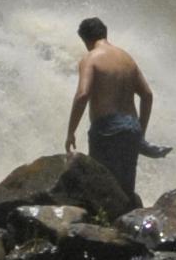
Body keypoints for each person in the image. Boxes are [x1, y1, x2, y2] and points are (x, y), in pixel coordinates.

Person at [65, 16, 153, 202]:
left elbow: (82, 95)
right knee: (125, 191)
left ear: (86, 40)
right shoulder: (127, 58)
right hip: (131, 128)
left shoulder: (90, 59)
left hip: (107, 129)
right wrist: (141, 134)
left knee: (101, 189)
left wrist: (71, 131)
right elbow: (147, 95)